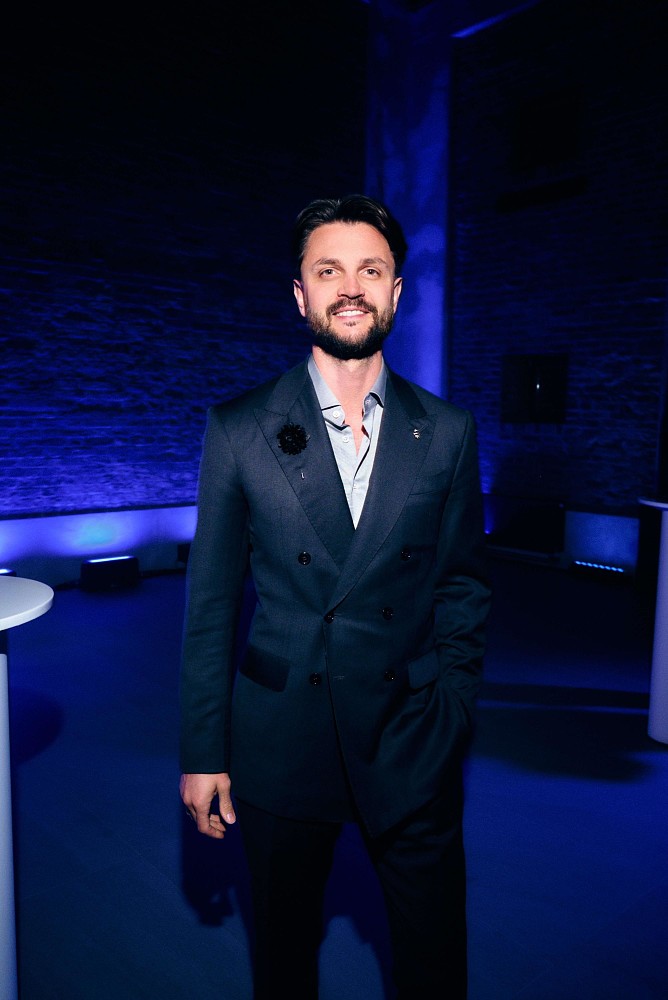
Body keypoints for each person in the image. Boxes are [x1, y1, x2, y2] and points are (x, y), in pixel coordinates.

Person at [179, 193, 491, 999]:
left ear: (396, 291)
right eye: (328, 271)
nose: (350, 287)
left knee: (435, 963)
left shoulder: (448, 431)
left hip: (412, 737)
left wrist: (454, 707)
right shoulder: (239, 428)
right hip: (282, 740)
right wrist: (204, 752)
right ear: (300, 294)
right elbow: (210, 606)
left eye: (370, 270)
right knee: (284, 963)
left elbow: (462, 584)